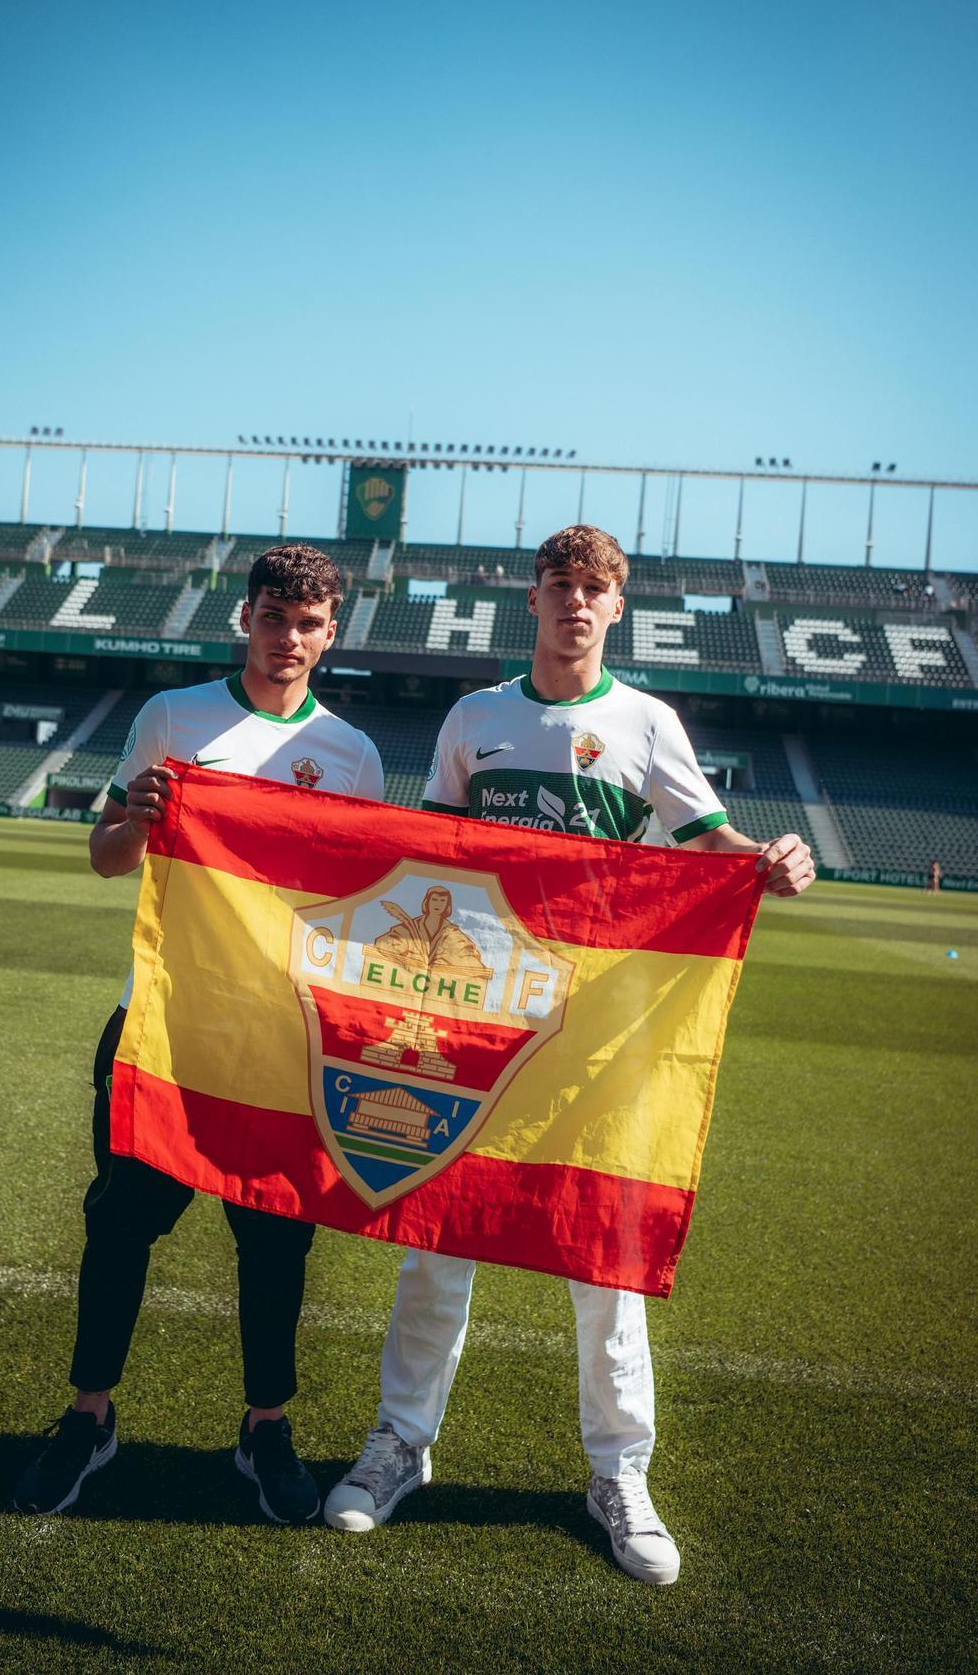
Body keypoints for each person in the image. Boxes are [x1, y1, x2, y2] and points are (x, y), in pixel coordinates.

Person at [324, 524, 814, 1583]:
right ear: (533, 599)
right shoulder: (477, 716)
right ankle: (400, 1445)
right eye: (561, 586)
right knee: (436, 1234)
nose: (577, 604)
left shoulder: (646, 722)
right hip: (482, 1018)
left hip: (600, 1030)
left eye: (595, 588)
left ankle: (619, 1474)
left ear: (617, 606)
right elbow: (436, 855)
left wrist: (771, 858)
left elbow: (708, 843)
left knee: (606, 1252)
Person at [14, 544, 384, 1523]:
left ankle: (265, 1429)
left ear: (331, 631)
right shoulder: (172, 717)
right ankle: (90, 1416)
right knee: (120, 1224)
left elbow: (358, 906)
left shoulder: (353, 757)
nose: (289, 639)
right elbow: (103, 857)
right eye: (273, 618)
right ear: (247, 618)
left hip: (280, 1047)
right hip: (165, 1027)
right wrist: (132, 821)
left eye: (308, 624)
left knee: (275, 1248)